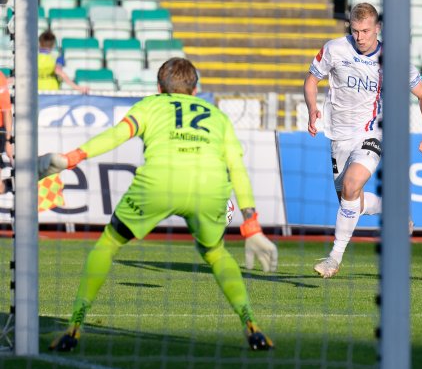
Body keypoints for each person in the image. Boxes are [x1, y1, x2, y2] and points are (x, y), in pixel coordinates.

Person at [40, 57, 279, 352]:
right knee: (216, 254)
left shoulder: (151, 104)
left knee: (108, 245)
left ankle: (74, 328)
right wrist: (251, 225)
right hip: (210, 187)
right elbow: (237, 169)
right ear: (195, 90)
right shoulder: (218, 116)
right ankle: (252, 327)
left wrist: (72, 157)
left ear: (159, 87)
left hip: (159, 183)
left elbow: (116, 136)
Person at [304, 2, 422, 278]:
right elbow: (310, 81)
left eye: (366, 31)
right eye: (355, 31)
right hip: (338, 137)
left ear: (377, 28)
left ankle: (333, 258)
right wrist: (312, 109)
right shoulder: (334, 49)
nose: (360, 37)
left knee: (353, 184)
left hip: (371, 133)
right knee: (349, 199)